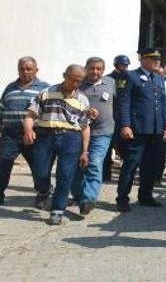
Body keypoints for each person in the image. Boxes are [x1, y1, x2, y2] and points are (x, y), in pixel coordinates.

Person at [23, 65, 91, 225]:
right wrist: (28, 129)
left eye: (79, 81)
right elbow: (30, 115)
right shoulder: (46, 93)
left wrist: (85, 151)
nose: (76, 84)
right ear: (64, 75)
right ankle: (45, 190)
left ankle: (57, 211)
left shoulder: (83, 99)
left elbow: (85, 126)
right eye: (73, 80)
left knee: (65, 175)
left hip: (71, 139)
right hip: (45, 136)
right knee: (39, 171)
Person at [115, 47, 166, 212]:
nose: (157, 61)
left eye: (158, 59)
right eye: (153, 58)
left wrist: (165, 125)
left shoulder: (159, 79)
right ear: (143, 60)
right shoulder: (130, 76)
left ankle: (145, 195)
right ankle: (122, 198)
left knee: (150, 164)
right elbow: (124, 103)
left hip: (155, 130)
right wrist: (125, 125)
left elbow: (162, 105)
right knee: (131, 163)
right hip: (137, 129)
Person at [0, 56, 49, 205]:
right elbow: (2, 109)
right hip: (10, 134)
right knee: (3, 164)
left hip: (35, 135)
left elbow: (51, 111)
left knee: (40, 168)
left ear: (36, 70)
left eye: (29, 69)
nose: (25, 72)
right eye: (22, 69)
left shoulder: (45, 88)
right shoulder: (10, 87)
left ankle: (43, 192)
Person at [70, 57, 116, 215]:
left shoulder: (110, 83)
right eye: (92, 68)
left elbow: (120, 102)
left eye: (99, 69)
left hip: (102, 132)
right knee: (77, 166)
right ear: (86, 68)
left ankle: (88, 200)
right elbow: (68, 105)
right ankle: (78, 195)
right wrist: (85, 111)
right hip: (78, 132)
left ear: (103, 70)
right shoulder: (78, 85)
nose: (95, 71)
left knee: (95, 164)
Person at [103, 55, 130, 182]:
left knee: (125, 146)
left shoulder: (130, 77)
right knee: (108, 145)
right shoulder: (108, 79)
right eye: (122, 65)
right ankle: (105, 172)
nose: (124, 67)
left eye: (126, 65)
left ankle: (126, 174)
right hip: (111, 115)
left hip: (124, 117)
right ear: (116, 65)